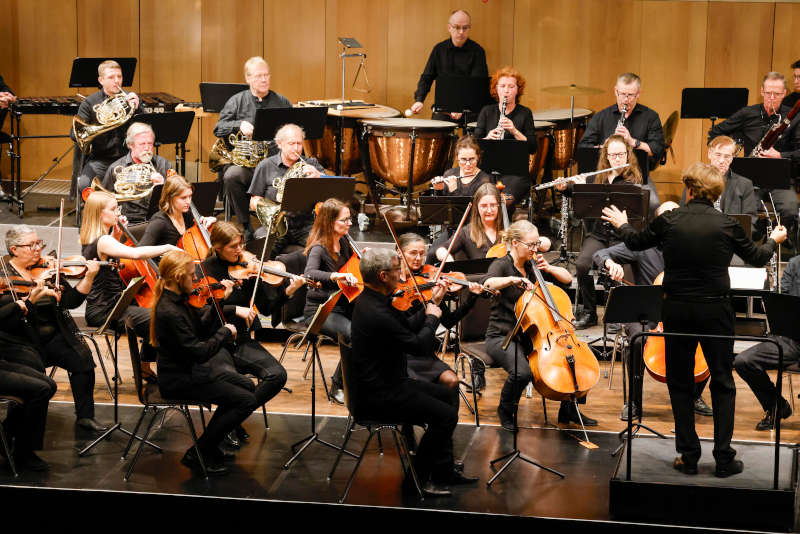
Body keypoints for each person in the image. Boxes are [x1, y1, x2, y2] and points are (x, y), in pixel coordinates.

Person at [602, 161, 787, 478]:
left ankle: (688, 456)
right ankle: (724, 459)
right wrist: (775, 240)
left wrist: (622, 223)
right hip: (716, 312)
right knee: (723, 383)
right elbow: (758, 257)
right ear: (716, 192)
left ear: (689, 188)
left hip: (677, 310)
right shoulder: (727, 223)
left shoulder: (671, 220)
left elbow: (634, 242)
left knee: (680, 382)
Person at [351, 247, 478, 496]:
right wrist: (431, 318)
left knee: (448, 394)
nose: (402, 275)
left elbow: (406, 326)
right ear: (383, 276)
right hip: (381, 395)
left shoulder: (373, 301)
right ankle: (415, 483)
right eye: (398, 270)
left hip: (390, 384)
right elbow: (419, 345)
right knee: (446, 417)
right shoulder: (376, 312)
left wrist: (432, 304)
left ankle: (443, 470)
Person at [151, 250, 275, 476]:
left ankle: (210, 445)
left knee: (247, 387)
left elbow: (201, 325)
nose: (196, 280)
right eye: (191, 276)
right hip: (180, 379)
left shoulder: (179, 301)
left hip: (191, 370)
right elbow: (199, 352)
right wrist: (225, 334)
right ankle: (200, 451)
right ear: (179, 278)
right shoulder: (170, 311)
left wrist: (223, 300)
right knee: (246, 401)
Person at [593, 201, 713, 420]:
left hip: (682, 310)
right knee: (637, 341)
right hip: (646, 313)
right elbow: (600, 254)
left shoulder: (693, 245)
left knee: (712, 338)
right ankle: (634, 402)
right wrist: (611, 263)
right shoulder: (643, 246)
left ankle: (695, 395)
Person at [483, 220, 596, 429]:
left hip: (533, 337)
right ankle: (505, 411)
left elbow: (568, 279)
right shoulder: (501, 265)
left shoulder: (532, 265)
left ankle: (569, 411)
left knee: (576, 360)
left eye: (537, 244)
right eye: (531, 245)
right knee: (522, 373)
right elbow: (487, 284)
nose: (535, 249)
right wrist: (510, 280)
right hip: (502, 336)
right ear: (516, 243)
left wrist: (550, 267)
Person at [1, 225, 105, 432]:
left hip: (51, 335)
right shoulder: (4, 274)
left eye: (39, 243)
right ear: (14, 249)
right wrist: (33, 294)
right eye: (31, 245)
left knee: (83, 361)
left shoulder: (48, 269)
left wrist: (89, 277)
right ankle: (15, 427)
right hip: (21, 340)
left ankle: (85, 416)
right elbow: (9, 312)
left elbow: (71, 301)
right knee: (34, 380)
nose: (38, 249)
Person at [80, 191, 181, 381]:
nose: (118, 212)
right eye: (113, 209)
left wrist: (117, 234)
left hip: (114, 304)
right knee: (161, 318)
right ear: (100, 214)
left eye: (117, 207)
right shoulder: (102, 240)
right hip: (106, 310)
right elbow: (135, 254)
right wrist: (166, 247)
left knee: (162, 311)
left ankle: (146, 366)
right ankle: (168, 374)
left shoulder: (98, 238)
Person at [561, 134, 647, 328]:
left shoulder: (632, 181)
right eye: (613, 155)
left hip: (621, 237)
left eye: (621, 154)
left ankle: (617, 313)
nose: (617, 159)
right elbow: (576, 194)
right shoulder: (597, 177)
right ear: (606, 156)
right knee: (582, 265)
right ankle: (590, 312)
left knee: (620, 269)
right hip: (599, 235)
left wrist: (587, 188)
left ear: (628, 155)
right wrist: (564, 187)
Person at [708, 72, 799, 241]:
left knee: (791, 208)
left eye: (777, 94)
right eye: (768, 93)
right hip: (748, 180)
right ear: (762, 91)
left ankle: (775, 239)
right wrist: (731, 148)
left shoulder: (793, 117)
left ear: (784, 94)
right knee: (740, 209)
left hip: (779, 179)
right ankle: (752, 242)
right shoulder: (747, 113)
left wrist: (780, 154)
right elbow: (715, 132)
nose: (772, 97)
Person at [214, 57, 291, 240]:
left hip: (273, 165)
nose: (264, 80)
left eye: (266, 75)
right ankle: (245, 225)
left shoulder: (281, 101)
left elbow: (294, 130)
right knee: (232, 176)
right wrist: (238, 125)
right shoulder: (237, 101)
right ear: (248, 79)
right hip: (247, 167)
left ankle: (281, 226)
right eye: (258, 76)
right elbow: (218, 128)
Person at [396, 232, 483, 388]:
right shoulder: (391, 283)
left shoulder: (432, 281)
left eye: (422, 254)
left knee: (452, 381)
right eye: (413, 253)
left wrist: (471, 298)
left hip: (424, 353)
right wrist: (431, 303)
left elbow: (448, 322)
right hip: (400, 353)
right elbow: (403, 328)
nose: (418, 258)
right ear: (399, 253)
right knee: (417, 386)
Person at [733, 253, 800, 431]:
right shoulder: (795, 263)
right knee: (743, 361)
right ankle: (776, 406)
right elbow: (783, 298)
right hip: (791, 339)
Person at [303, 198, 359, 404]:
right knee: (353, 334)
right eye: (345, 220)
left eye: (349, 219)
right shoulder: (319, 248)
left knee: (373, 327)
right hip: (321, 311)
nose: (349, 224)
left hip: (343, 305)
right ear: (330, 222)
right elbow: (309, 273)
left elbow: (355, 267)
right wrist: (335, 276)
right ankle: (338, 384)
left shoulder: (345, 241)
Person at [248, 123, 324, 255]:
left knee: (322, 247)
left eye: (299, 143)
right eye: (291, 143)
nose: (296, 148)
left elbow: (329, 191)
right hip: (276, 224)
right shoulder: (265, 165)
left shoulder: (311, 164)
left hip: (305, 224)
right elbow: (254, 200)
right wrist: (268, 209)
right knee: (263, 250)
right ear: (279, 144)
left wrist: (319, 176)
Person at [74, 60, 142, 194]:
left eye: (119, 77)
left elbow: (146, 128)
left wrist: (138, 108)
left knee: (140, 186)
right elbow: (75, 133)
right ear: (101, 80)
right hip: (100, 159)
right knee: (85, 186)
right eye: (111, 77)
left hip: (127, 158)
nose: (117, 81)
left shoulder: (130, 99)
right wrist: (101, 124)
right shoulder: (90, 103)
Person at [473, 67, 537, 206]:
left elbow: (532, 147)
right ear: (496, 89)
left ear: (517, 90)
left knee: (504, 200)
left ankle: (503, 226)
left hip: (516, 172)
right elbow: (474, 145)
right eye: (502, 86)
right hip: (488, 170)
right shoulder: (486, 111)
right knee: (483, 196)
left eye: (511, 86)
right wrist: (488, 138)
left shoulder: (524, 113)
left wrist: (514, 131)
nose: (506, 90)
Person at [409, 9, 488, 122]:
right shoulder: (439, 49)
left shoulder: (478, 51)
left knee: (474, 135)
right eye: (457, 27)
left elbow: (477, 85)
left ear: (469, 28)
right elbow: (427, 76)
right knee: (436, 133)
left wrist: (461, 107)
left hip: (469, 109)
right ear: (449, 28)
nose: (461, 32)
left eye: (465, 28)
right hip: (443, 108)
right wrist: (419, 100)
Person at [578, 72, 665, 165]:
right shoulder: (601, 117)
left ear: (638, 93)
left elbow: (657, 151)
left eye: (631, 95)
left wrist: (633, 142)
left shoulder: (651, 117)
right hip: (606, 172)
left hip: (638, 172)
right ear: (616, 91)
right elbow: (583, 149)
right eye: (623, 94)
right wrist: (605, 146)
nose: (626, 100)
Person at [680, 136, 757, 235]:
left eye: (727, 156)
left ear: (732, 158)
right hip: (699, 234)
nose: (721, 161)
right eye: (718, 155)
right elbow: (683, 212)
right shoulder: (695, 180)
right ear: (709, 154)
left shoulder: (744, 184)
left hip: (730, 238)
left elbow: (751, 222)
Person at [102, 122, 170, 224]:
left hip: (159, 220)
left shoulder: (163, 164)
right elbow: (104, 199)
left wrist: (163, 186)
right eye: (142, 144)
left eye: (150, 143)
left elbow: (177, 197)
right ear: (130, 145)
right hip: (129, 222)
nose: (147, 148)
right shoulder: (117, 168)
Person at [434, 183, 506, 262]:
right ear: (477, 207)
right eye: (484, 206)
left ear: (499, 205)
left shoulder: (508, 230)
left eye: (493, 205)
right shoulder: (466, 232)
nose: (489, 210)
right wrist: (448, 259)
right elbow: (441, 249)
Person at [139, 174, 215, 248]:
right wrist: (165, 249)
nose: (189, 202)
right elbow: (140, 251)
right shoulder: (159, 222)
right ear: (170, 198)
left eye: (190, 196)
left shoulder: (187, 214)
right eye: (183, 197)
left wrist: (211, 220)